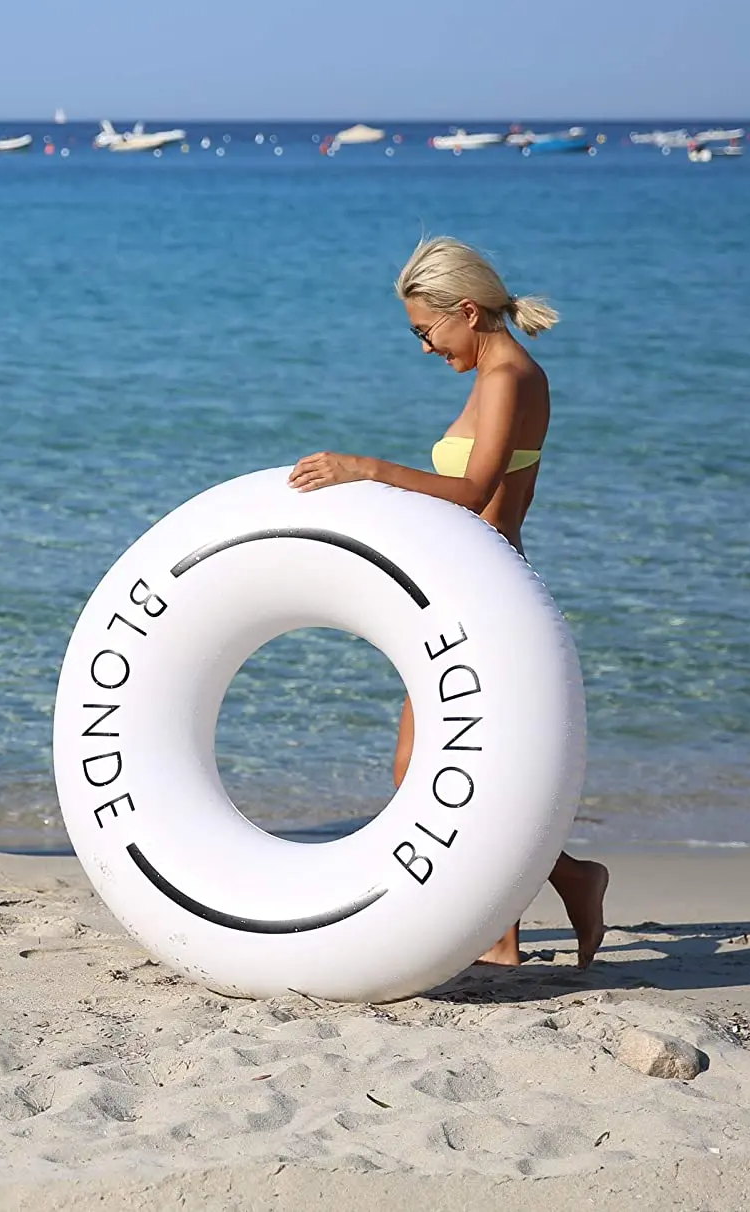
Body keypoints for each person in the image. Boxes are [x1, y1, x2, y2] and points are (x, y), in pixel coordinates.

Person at [288, 237, 608, 968]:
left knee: (424, 766)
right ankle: (528, 910)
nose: (425, 348)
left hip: (490, 597)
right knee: (442, 761)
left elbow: (471, 492)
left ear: (465, 310)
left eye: (424, 331)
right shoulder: (494, 372)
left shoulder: (509, 377)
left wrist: (362, 468)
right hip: (460, 591)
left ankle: (551, 892)